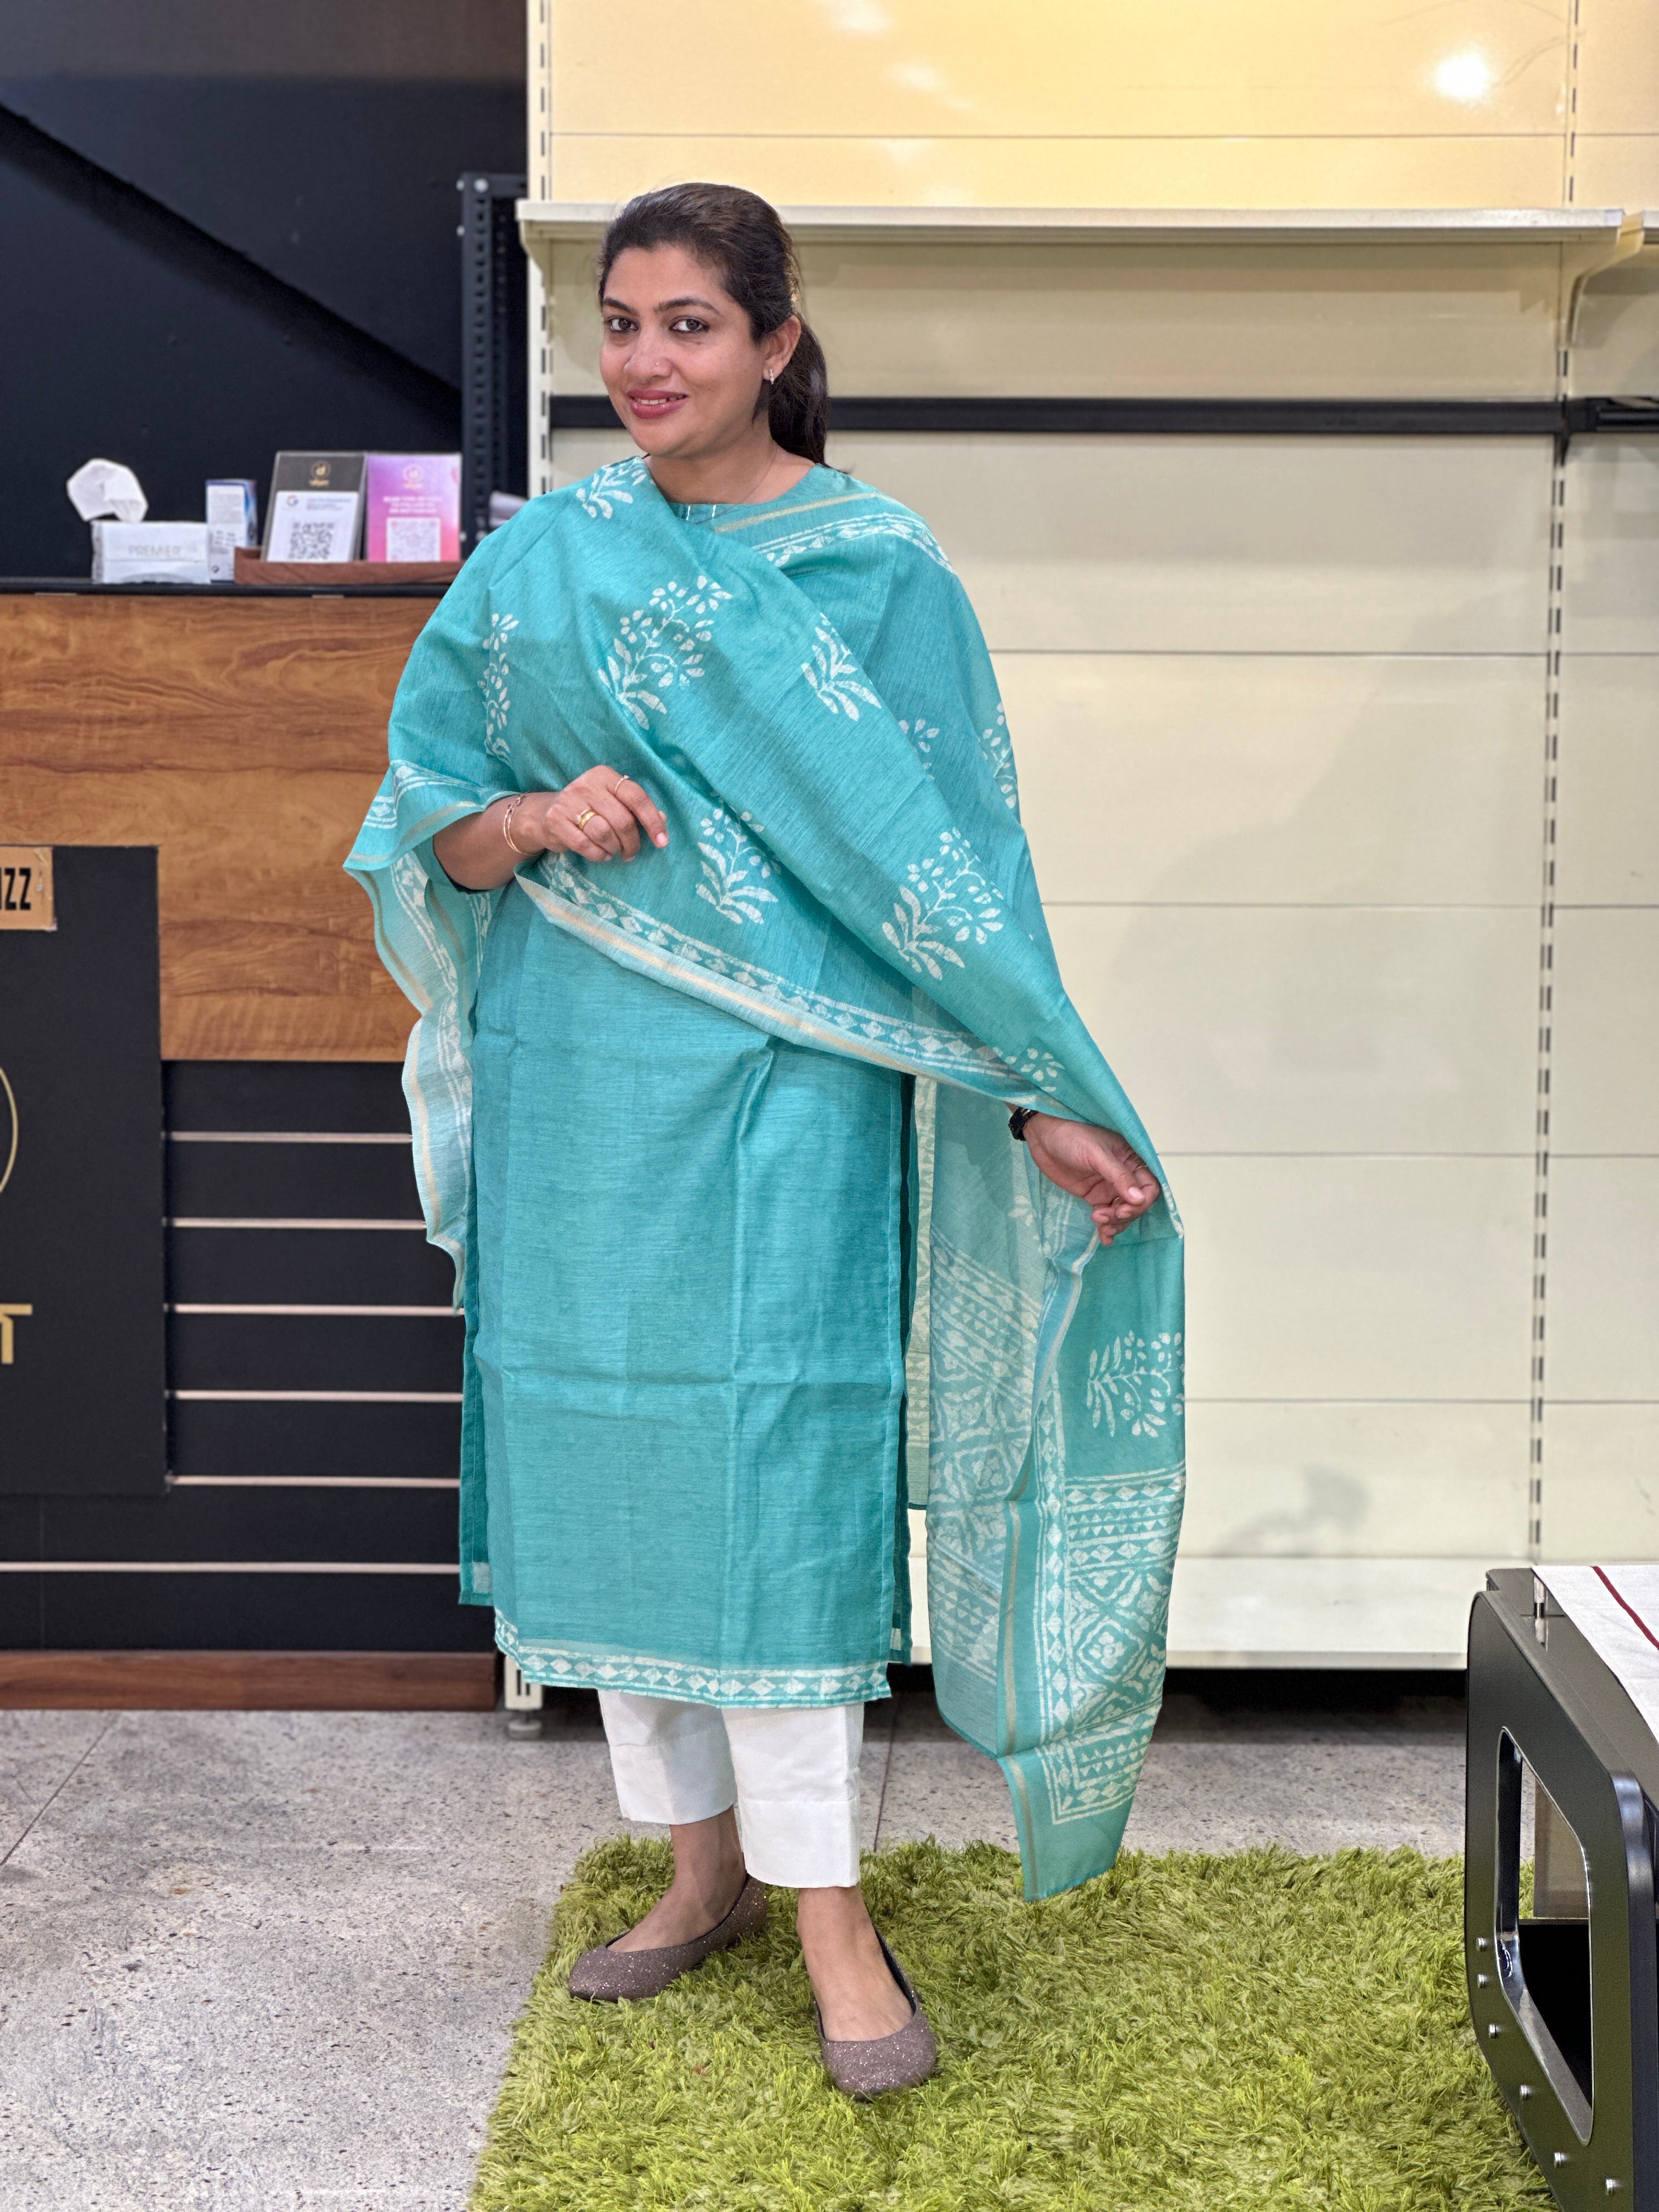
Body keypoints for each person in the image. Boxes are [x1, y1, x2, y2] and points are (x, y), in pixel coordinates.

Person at [348, 182, 1184, 2097]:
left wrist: (1038, 1087)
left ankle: (832, 1916)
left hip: (788, 1094)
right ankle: (698, 1866)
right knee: (618, 1473)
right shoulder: (543, 564)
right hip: (578, 1085)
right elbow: (422, 827)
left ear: (775, 343)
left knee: (776, 1478)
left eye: (691, 325)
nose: (646, 362)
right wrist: (536, 818)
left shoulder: (879, 572)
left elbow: (955, 876)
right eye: (622, 324)